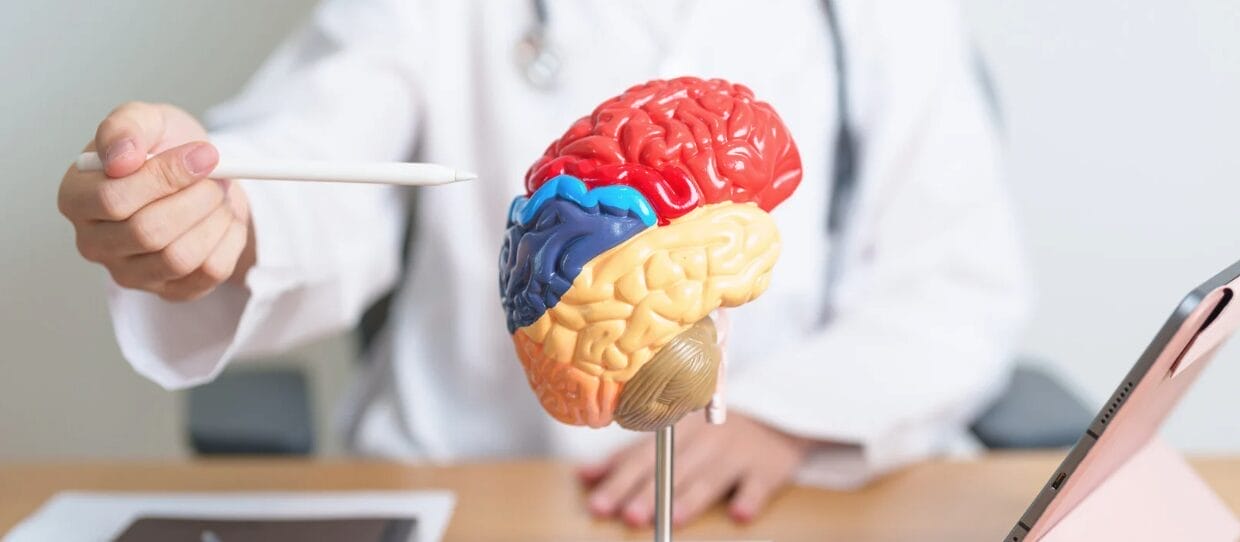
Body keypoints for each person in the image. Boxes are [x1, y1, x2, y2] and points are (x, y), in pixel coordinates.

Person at [56, 0, 1028, 528]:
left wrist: (788, 414)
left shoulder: (879, 19)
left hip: (778, 504)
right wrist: (218, 214)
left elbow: (959, 279)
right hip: (477, 493)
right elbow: (317, 156)